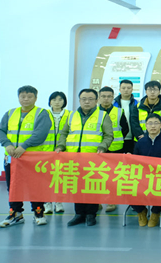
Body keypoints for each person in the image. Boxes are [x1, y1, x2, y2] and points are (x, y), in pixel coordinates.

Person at [0, 85, 52, 227]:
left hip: (32, 158)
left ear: (36, 98)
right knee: (13, 187)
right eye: (23, 96)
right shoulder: (10, 113)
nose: (26, 99)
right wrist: (7, 144)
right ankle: (15, 214)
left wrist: (23, 147)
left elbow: (40, 134)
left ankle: (39, 212)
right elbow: (0, 130)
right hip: (12, 158)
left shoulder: (42, 113)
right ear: (18, 98)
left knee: (35, 186)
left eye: (29, 96)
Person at [55, 88, 114, 227]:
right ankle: (79, 214)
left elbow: (109, 135)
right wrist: (61, 146)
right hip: (73, 158)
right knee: (77, 186)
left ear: (96, 100)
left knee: (92, 186)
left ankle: (91, 214)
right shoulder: (72, 115)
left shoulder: (102, 115)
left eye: (90, 99)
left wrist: (103, 147)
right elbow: (64, 133)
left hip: (94, 158)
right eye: (84, 99)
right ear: (79, 100)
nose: (87, 102)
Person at [130, 113, 161, 228]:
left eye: (156, 123)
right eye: (150, 123)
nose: (153, 126)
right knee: (128, 186)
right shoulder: (140, 142)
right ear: (146, 126)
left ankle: (155, 213)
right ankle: (141, 211)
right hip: (144, 177)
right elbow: (135, 162)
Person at [99, 86, 128, 213]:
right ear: (99, 98)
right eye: (103, 96)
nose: (106, 99)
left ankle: (111, 201)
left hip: (116, 148)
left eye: (109, 96)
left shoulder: (119, 111)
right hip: (98, 149)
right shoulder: (94, 112)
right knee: (97, 175)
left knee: (113, 176)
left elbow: (125, 129)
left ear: (113, 98)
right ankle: (97, 201)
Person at [44, 91, 69, 214]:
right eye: (54, 100)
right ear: (50, 102)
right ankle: (47, 203)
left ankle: (58, 202)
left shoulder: (70, 115)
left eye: (60, 99)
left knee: (60, 177)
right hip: (46, 151)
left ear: (64, 101)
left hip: (62, 151)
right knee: (46, 178)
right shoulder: (44, 114)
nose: (57, 102)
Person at [114, 79, 137, 152]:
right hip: (116, 138)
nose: (126, 90)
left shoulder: (137, 103)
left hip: (133, 137)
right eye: (123, 88)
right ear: (119, 89)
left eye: (128, 88)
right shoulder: (113, 103)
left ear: (132, 89)